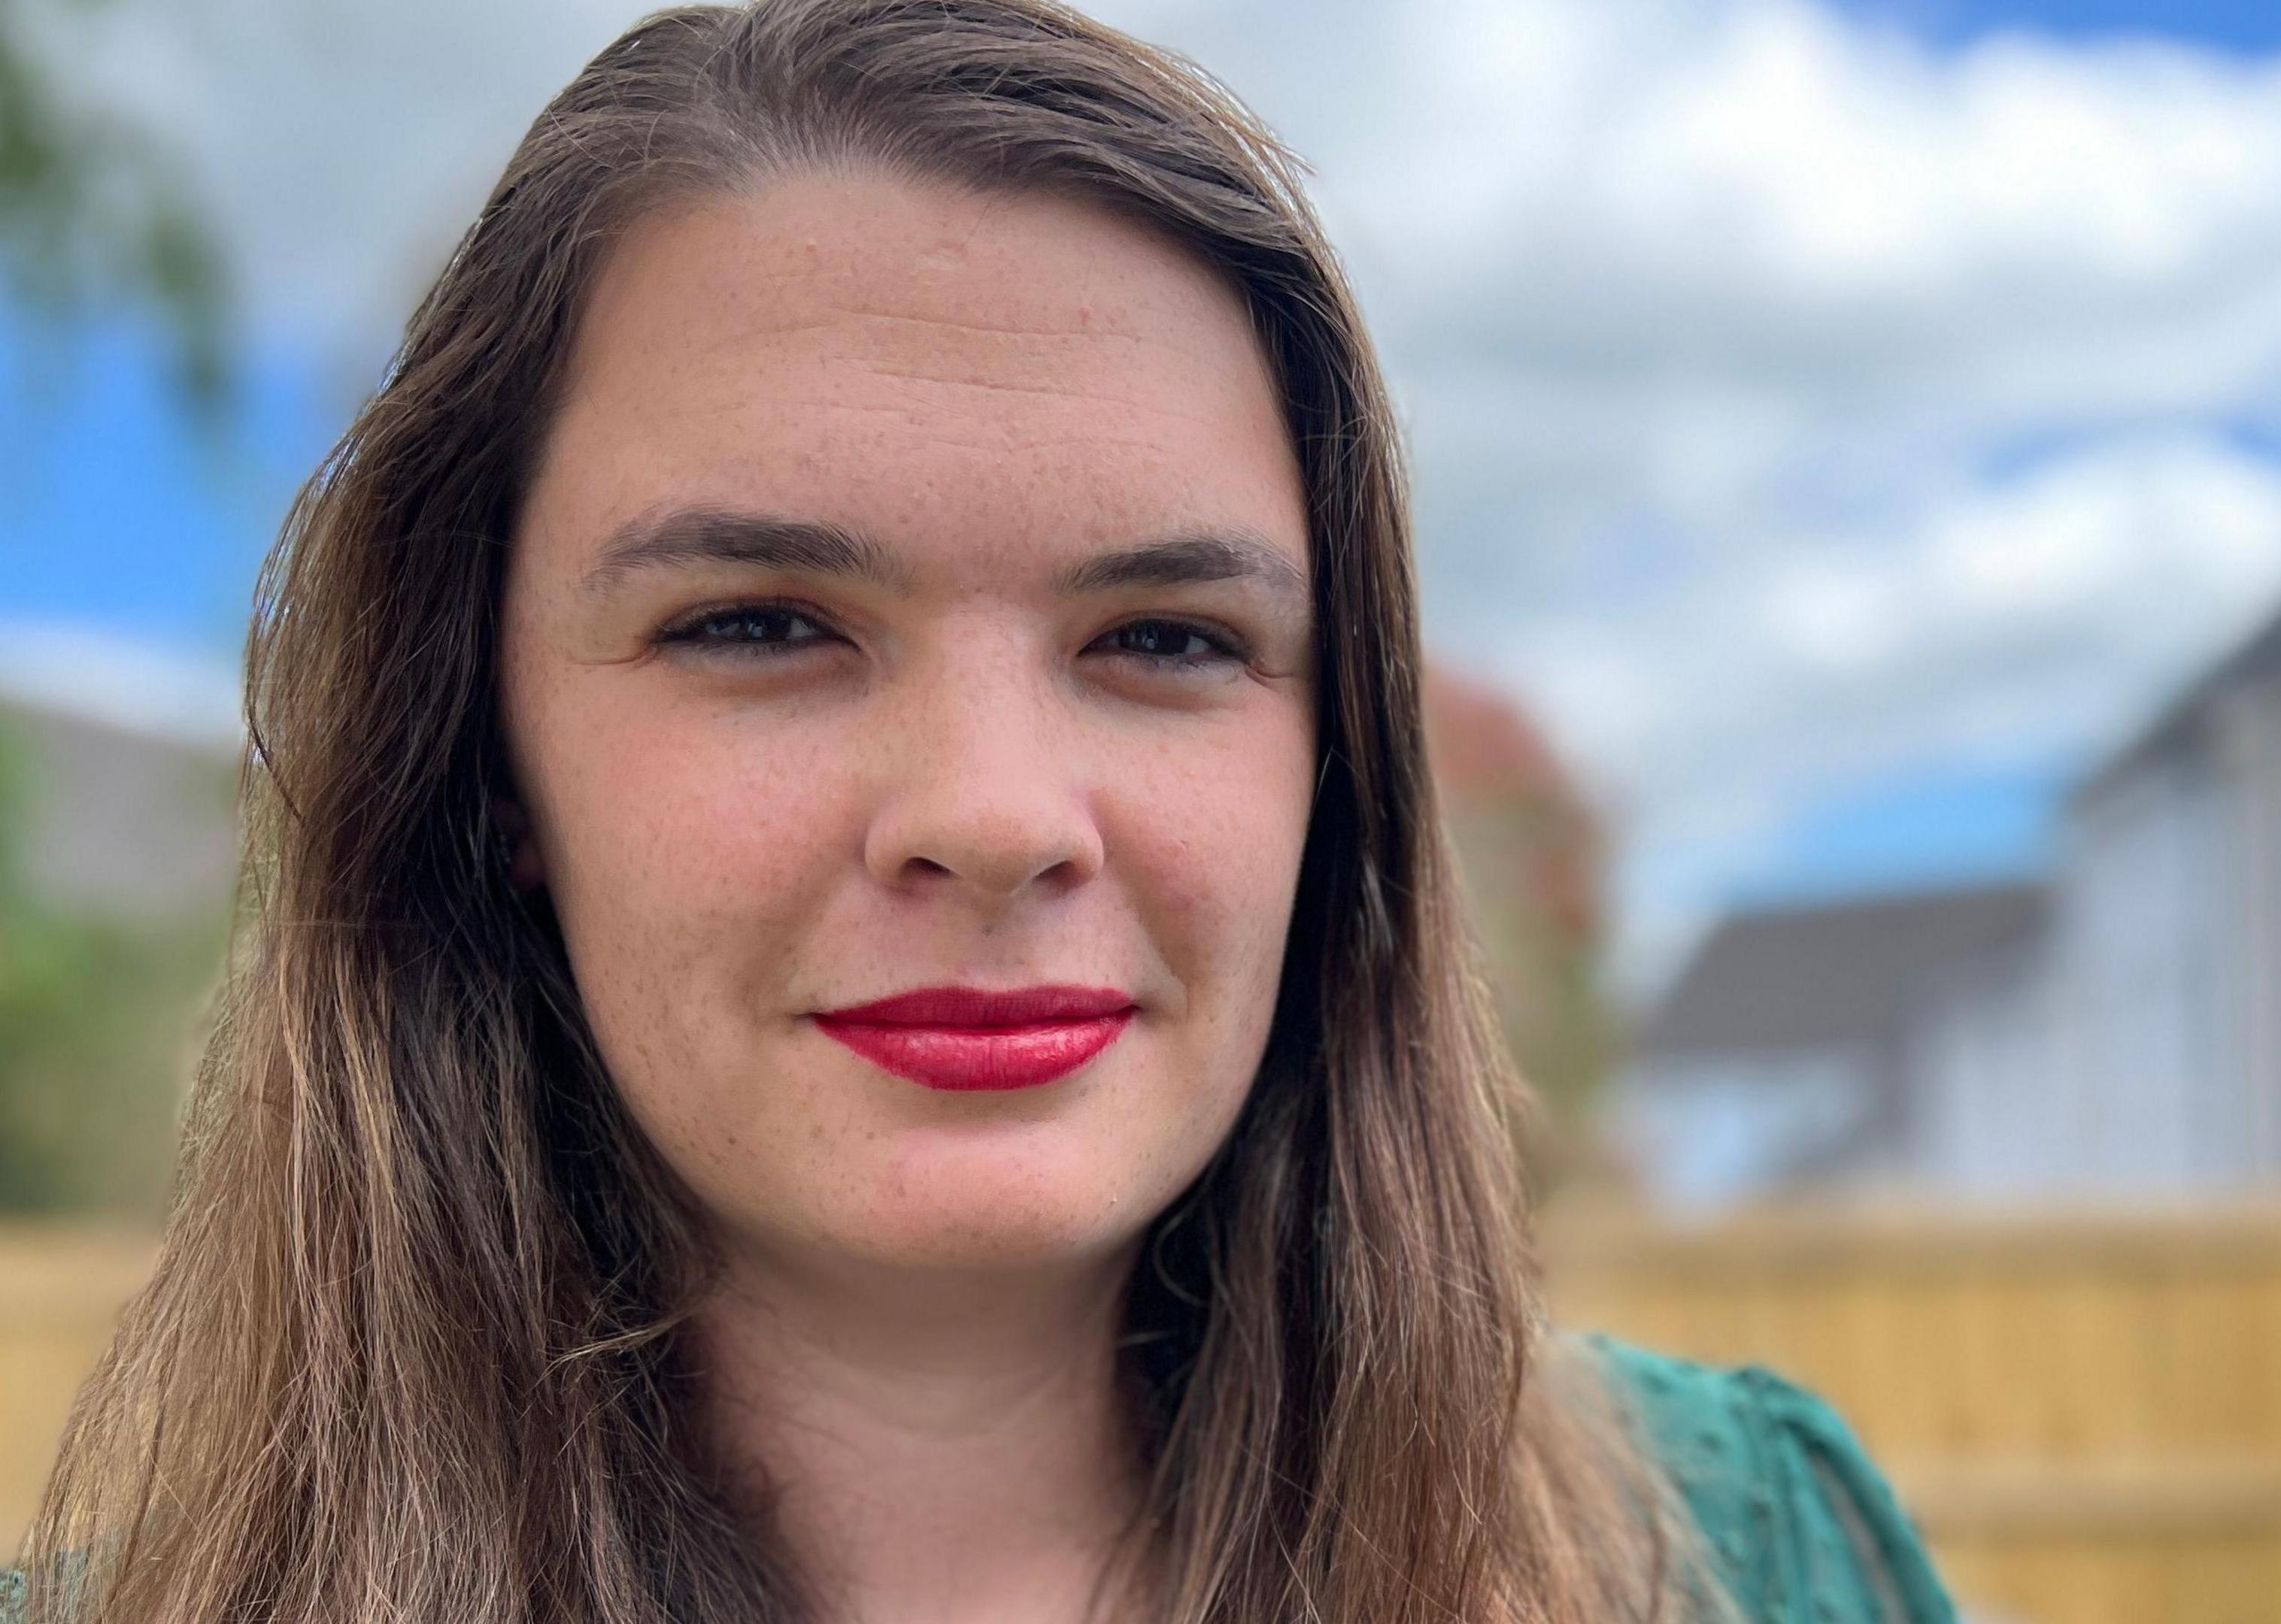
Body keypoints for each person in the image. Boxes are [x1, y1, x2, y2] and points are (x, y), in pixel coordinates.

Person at [5, 3, 1961, 1622]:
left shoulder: (1738, 1564)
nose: (996, 817)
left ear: (1330, 765)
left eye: (1169, 638)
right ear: (487, 758)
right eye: (758, 624)